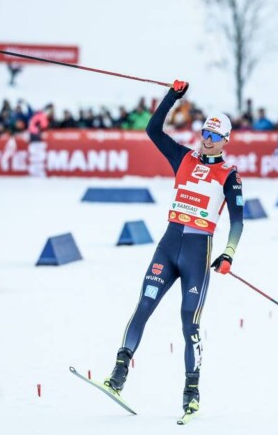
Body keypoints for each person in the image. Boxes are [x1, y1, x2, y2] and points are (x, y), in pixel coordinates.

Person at [104, 81, 244, 421]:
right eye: (205, 133)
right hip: (168, 245)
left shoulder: (229, 175)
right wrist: (173, 96)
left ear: (225, 140)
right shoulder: (182, 156)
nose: (207, 140)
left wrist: (227, 254)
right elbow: (153, 130)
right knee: (144, 306)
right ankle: (118, 375)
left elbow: (238, 222)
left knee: (189, 323)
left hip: (198, 252)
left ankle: (191, 396)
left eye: (215, 136)